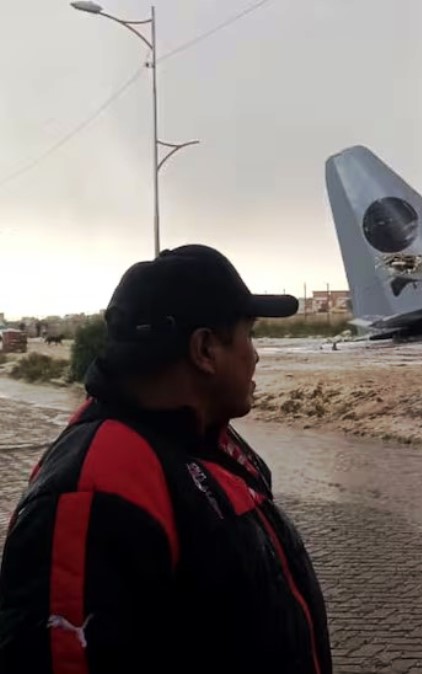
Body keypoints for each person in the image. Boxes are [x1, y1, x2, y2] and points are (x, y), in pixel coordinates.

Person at [0, 245, 332, 674]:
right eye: (248, 334)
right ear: (205, 350)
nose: (255, 354)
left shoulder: (206, 441)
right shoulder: (95, 487)